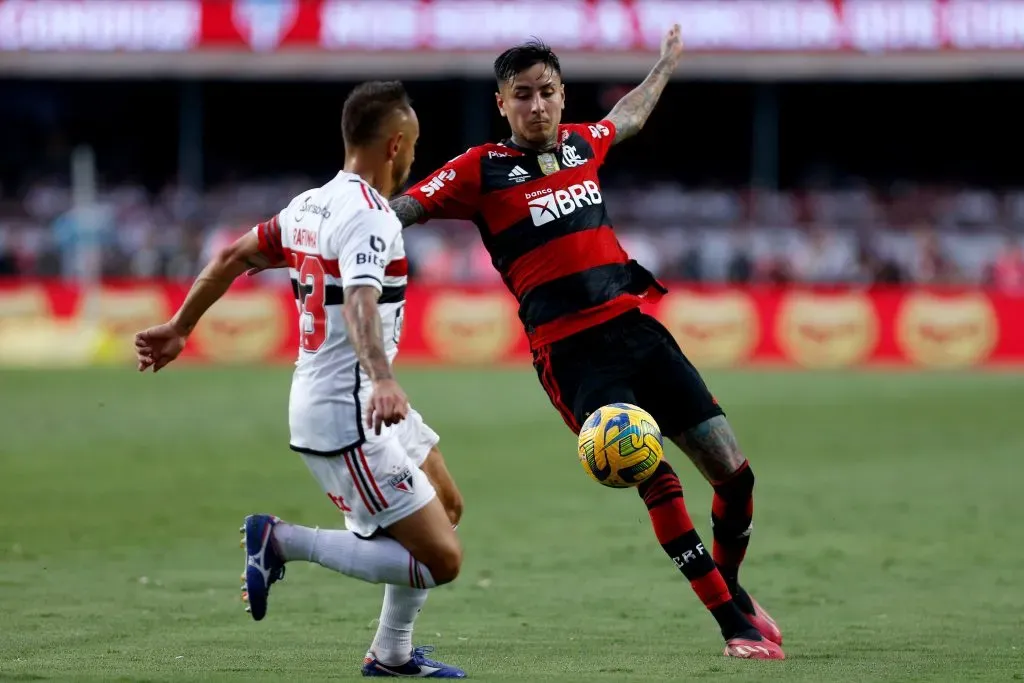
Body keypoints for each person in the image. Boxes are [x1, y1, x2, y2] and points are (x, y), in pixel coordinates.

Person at [388, 28, 785, 660]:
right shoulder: (478, 170)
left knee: (736, 478)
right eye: (522, 96)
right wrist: (328, 223)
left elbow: (623, 118)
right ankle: (731, 625)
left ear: (562, 94)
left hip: (638, 331)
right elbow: (399, 210)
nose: (537, 106)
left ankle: (731, 588)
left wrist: (663, 68)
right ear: (502, 104)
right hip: (571, 354)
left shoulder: (581, 144)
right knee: (656, 480)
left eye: (547, 92)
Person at [133, 81, 467, 678]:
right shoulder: (370, 216)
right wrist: (383, 377)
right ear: (396, 145)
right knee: (440, 559)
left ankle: (391, 655)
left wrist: (181, 327)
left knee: (446, 502)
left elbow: (233, 254)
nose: (415, 157)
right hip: (350, 415)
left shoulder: (309, 205)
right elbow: (362, 300)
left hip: (354, 398)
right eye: (413, 145)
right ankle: (281, 541)